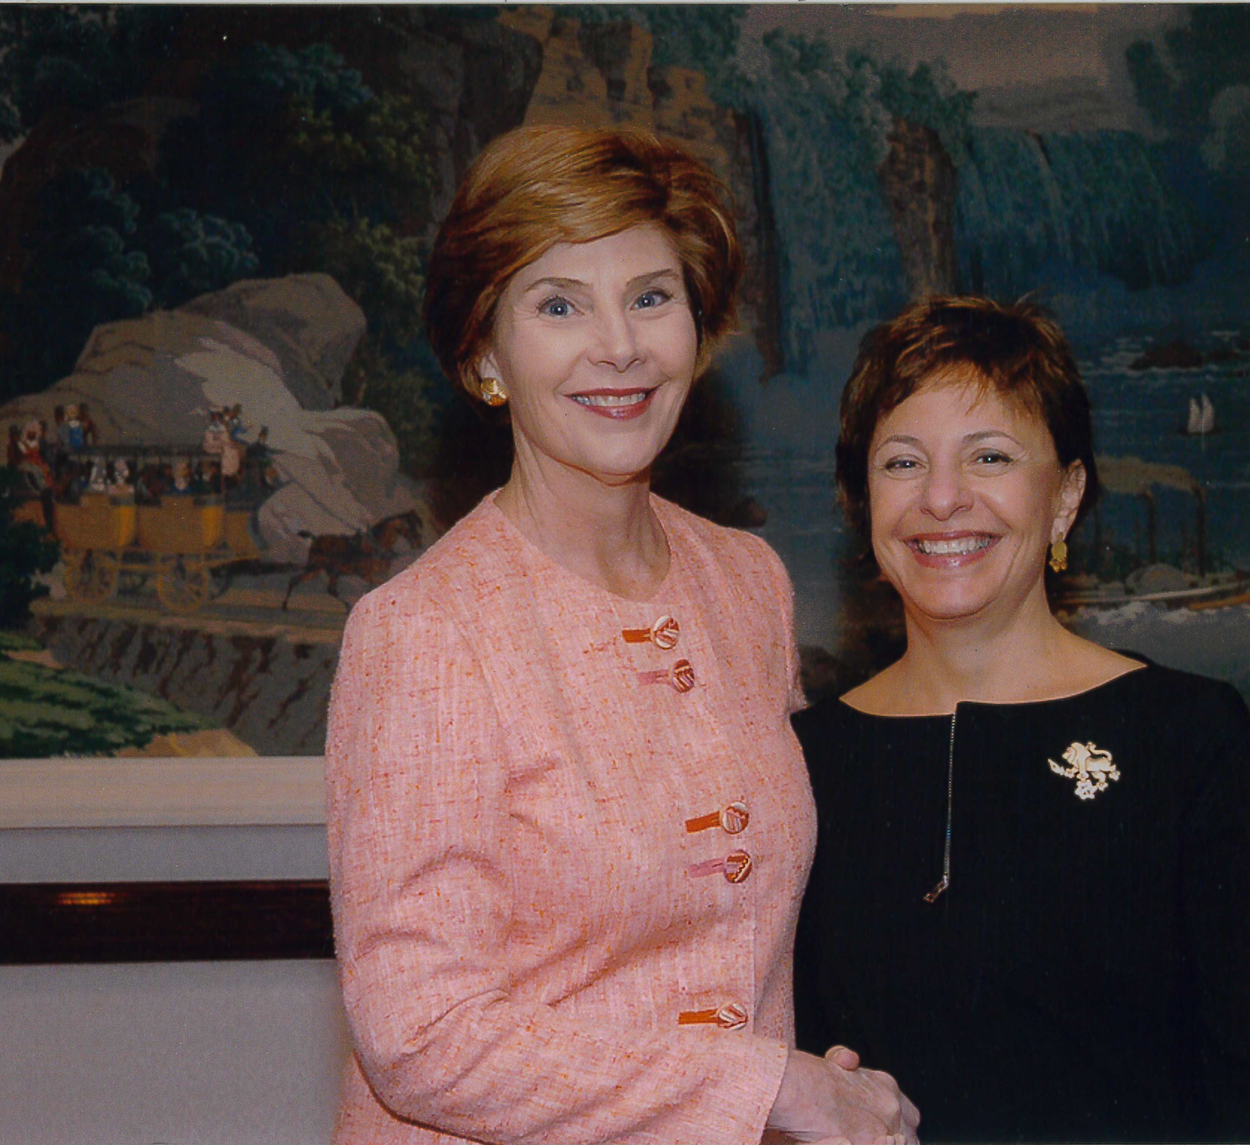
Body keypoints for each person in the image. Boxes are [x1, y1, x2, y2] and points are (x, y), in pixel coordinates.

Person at [326, 124, 919, 1145]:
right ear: (482, 355)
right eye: (559, 304)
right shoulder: (422, 631)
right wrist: (765, 1088)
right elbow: (419, 1033)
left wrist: (805, 1080)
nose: (620, 345)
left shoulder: (746, 582)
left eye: (651, 296)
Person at [793, 296, 1250, 1143]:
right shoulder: (800, 762)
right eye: (902, 463)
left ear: (1067, 497)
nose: (943, 499)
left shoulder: (1189, 740)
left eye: (991, 456)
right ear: (862, 503)